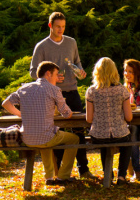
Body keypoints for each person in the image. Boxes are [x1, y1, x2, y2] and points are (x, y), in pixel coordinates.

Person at [29, 12, 92, 178]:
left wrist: (80, 71)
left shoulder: (71, 42)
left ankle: (83, 169)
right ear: (50, 25)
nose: (61, 30)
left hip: (72, 91)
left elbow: (76, 61)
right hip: (50, 96)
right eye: (58, 26)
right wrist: (51, 77)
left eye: (63, 27)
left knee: (79, 130)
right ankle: (59, 172)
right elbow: (33, 72)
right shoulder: (41, 47)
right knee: (56, 133)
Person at [3, 61, 80, 184]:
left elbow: (6, 103)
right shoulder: (54, 89)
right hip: (46, 137)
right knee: (74, 139)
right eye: (56, 75)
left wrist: (21, 115)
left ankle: (49, 177)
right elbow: (67, 114)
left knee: (45, 135)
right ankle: (63, 176)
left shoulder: (24, 88)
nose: (57, 78)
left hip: (26, 138)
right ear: (48, 74)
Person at [85, 57, 133, 188]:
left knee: (104, 144)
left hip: (98, 135)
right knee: (128, 143)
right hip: (120, 134)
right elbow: (129, 117)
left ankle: (109, 175)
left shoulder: (91, 91)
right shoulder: (122, 90)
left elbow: (89, 119)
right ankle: (122, 176)